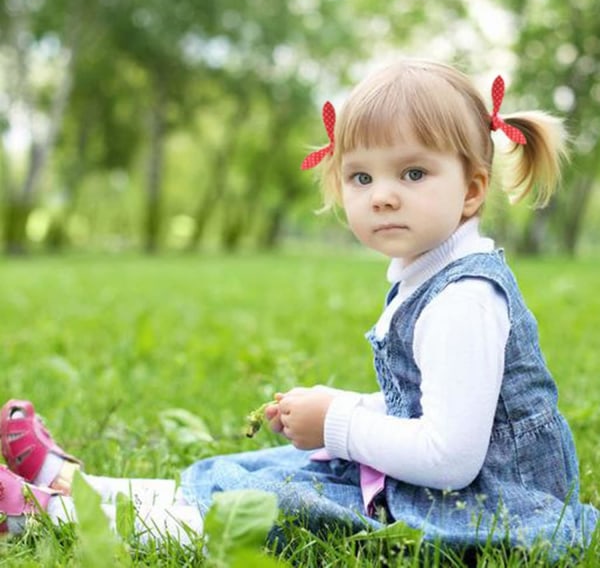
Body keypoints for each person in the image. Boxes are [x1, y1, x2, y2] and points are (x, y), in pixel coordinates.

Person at [1, 59, 598, 558]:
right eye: (361, 176)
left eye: (413, 172)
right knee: (260, 469)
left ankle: (48, 515)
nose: (382, 194)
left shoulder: (464, 301)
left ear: (471, 189)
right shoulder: (431, 276)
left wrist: (339, 424)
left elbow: (451, 458)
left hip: (484, 509)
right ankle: (76, 485)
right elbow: (428, 405)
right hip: (442, 489)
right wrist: (344, 410)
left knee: (276, 510)